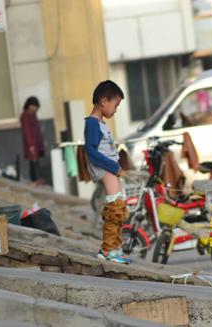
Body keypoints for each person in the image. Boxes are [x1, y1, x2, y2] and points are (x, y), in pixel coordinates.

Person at [84, 80, 130, 264]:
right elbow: (92, 151)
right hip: (106, 170)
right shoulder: (93, 124)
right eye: (116, 105)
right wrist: (114, 167)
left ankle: (114, 247)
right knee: (114, 209)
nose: (116, 109)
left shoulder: (99, 123)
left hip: (111, 169)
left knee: (118, 207)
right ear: (103, 101)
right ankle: (108, 249)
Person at [20, 96, 45, 183]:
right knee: (33, 162)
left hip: (37, 143)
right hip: (32, 144)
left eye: (36, 106)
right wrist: (31, 145)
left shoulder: (33, 115)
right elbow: (27, 131)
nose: (35, 108)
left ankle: (37, 179)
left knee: (36, 162)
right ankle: (34, 179)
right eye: (33, 106)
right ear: (29, 105)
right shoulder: (25, 116)